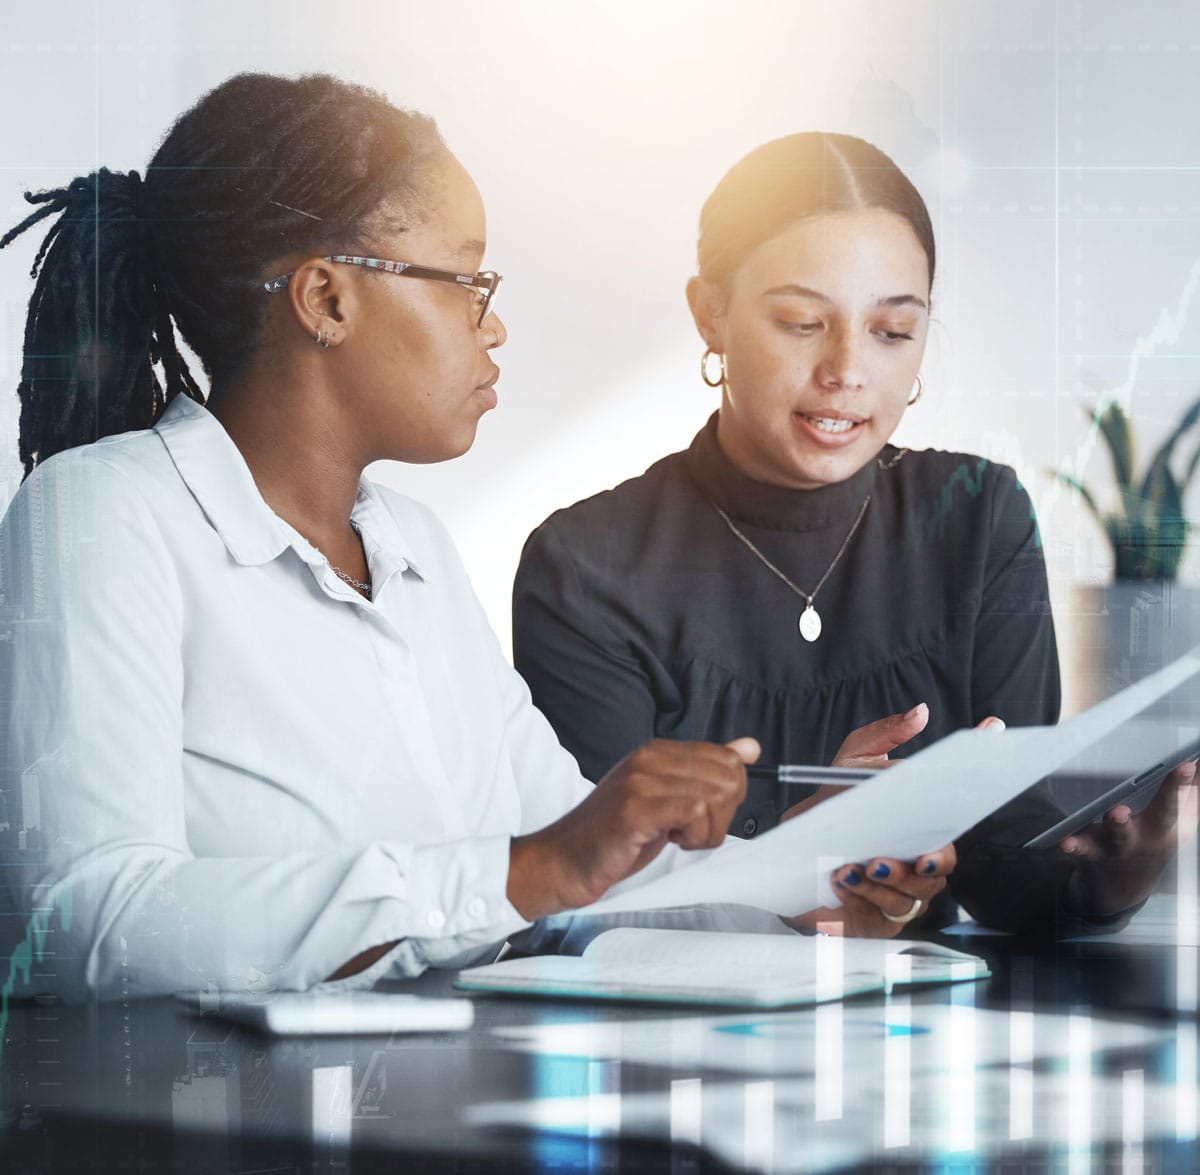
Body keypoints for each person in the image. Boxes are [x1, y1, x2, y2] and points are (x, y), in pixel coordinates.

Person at [0, 76, 930, 1003]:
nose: (495, 326)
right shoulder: (104, 514)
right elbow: (84, 918)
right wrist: (525, 871)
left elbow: (588, 866)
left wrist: (808, 879)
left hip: (449, 1081)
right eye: (467, 282)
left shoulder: (416, 550)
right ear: (326, 299)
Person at [513, 132, 1197, 938]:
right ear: (710, 314)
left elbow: (1007, 853)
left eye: (892, 330)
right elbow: (584, 897)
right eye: (803, 321)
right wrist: (794, 859)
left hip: (917, 1012)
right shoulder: (586, 567)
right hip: (673, 1012)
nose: (847, 369)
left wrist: (1110, 877)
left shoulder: (977, 517)